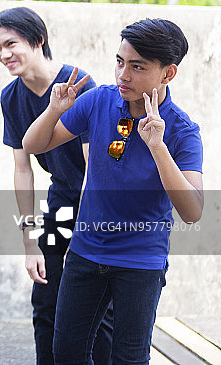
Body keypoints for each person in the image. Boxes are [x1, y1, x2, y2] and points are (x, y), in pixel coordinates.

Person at [22, 18, 203, 364]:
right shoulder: (99, 101)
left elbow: (193, 211)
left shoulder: (182, 130)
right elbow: (33, 144)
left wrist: (158, 147)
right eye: (120, 62)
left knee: (129, 358)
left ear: (168, 74)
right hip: (86, 251)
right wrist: (54, 109)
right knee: (67, 353)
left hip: (141, 260)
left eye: (137, 67)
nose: (123, 75)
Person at [0, 7, 111, 365]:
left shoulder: (81, 85)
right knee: (46, 303)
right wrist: (29, 243)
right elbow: (22, 170)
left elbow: (94, 169)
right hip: (60, 203)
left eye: (11, 43)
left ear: (38, 40)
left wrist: (86, 232)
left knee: (98, 313)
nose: (4, 54)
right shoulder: (11, 97)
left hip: (97, 205)